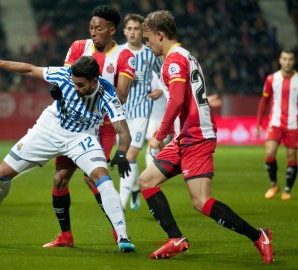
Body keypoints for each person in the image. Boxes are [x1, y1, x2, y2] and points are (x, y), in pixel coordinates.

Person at [0, 55, 136, 252]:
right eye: (74, 84)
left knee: (102, 178)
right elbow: (29, 68)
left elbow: (123, 130)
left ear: (94, 81)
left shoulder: (107, 92)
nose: (76, 88)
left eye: (80, 85)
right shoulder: (65, 75)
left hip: (82, 136)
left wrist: (121, 153)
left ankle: (123, 237)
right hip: (50, 129)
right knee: (2, 173)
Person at [138, 10, 273, 264]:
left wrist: (159, 134)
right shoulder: (185, 55)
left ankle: (259, 236)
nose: (147, 44)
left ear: (160, 35)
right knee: (147, 181)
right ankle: (176, 238)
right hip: (185, 137)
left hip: (196, 137)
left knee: (201, 201)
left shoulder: (173, 60)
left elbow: (177, 99)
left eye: (148, 39)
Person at [44, 5, 135, 248]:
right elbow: (66, 80)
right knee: (60, 179)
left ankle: (119, 232)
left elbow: (122, 95)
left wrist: (94, 87)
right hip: (73, 124)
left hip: (103, 125)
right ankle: (66, 236)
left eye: (99, 28)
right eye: (91, 27)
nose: (93, 32)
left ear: (112, 30)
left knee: (93, 178)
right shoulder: (77, 47)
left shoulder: (125, 56)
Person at [119, 13, 163, 212]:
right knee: (125, 156)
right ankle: (135, 187)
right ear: (124, 31)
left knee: (130, 155)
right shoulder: (118, 52)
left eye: (137, 29)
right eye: (129, 28)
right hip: (120, 112)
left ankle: (120, 204)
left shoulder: (149, 54)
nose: (133, 32)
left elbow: (164, 74)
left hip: (141, 110)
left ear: (142, 32)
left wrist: (162, 89)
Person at [255, 48, 298, 200]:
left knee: (291, 155)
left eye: (290, 59)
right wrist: (259, 123)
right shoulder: (271, 79)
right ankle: (274, 185)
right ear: (280, 60)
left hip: (293, 124)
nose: (287, 62)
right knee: (270, 152)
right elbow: (264, 101)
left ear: (294, 61)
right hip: (275, 122)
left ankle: (287, 189)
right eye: (284, 59)